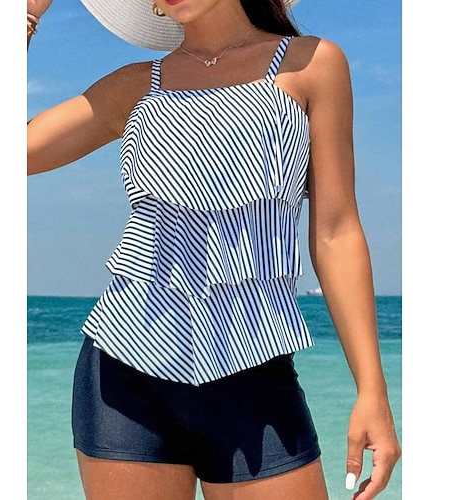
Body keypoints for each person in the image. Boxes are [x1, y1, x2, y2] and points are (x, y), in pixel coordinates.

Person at [27, 0, 401, 498]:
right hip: (125, 379)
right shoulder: (135, 87)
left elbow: (336, 232)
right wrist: (24, 17)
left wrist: (372, 390)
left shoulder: (310, 65)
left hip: (255, 372)